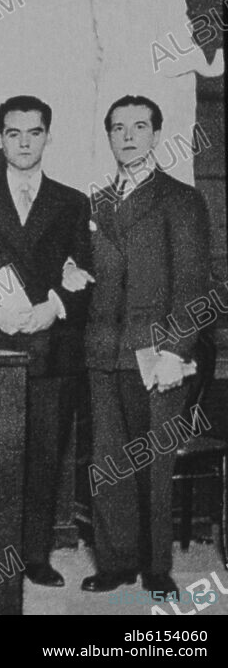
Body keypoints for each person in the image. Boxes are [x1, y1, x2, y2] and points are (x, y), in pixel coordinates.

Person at [0, 95, 91, 587]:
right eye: (14, 133)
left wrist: (52, 308)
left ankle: (35, 557)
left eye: (34, 132)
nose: (24, 142)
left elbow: (86, 272)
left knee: (45, 457)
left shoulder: (73, 202)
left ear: (48, 137)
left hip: (54, 351)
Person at [80, 95, 210, 595]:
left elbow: (194, 285)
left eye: (139, 126)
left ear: (157, 135)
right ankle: (115, 562)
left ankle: (156, 566)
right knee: (108, 460)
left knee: (155, 463)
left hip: (159, 353)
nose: (128, 136)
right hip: (103, 349)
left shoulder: (179, 199)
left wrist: (177, 351)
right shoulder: (95, 203)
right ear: (109, 136)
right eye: (118, 128)